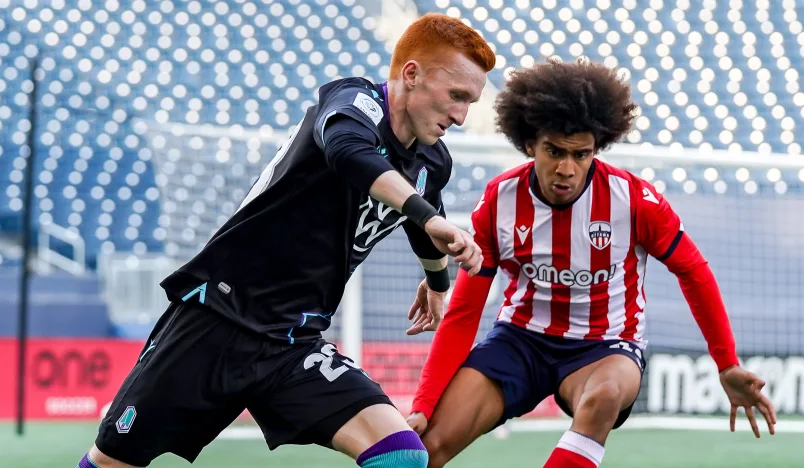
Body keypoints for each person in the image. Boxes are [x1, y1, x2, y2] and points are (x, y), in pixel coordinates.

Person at [76, 13, 495, 468]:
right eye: (456, 96)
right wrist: (424, 214)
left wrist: (436, 284)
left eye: (470, 102)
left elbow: (423, 225)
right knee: (113, 462)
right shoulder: (354, 101)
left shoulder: (433, 161)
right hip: (220, 316)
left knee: (400, 455)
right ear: (411, 74)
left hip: (295, 341)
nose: (461, 115)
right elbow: (348, 153)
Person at [406, 58, 777, 468]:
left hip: (605, 347)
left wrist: (726, 363)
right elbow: (464, 310)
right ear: (530, 145)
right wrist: (424, 402)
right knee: (428, 447)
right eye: (554, 152)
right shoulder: (499, 200)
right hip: (520, 340)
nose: (567, 169)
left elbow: (693, 271)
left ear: (596, 149)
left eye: (581, 154)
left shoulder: (635, 200)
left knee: (602, 398)